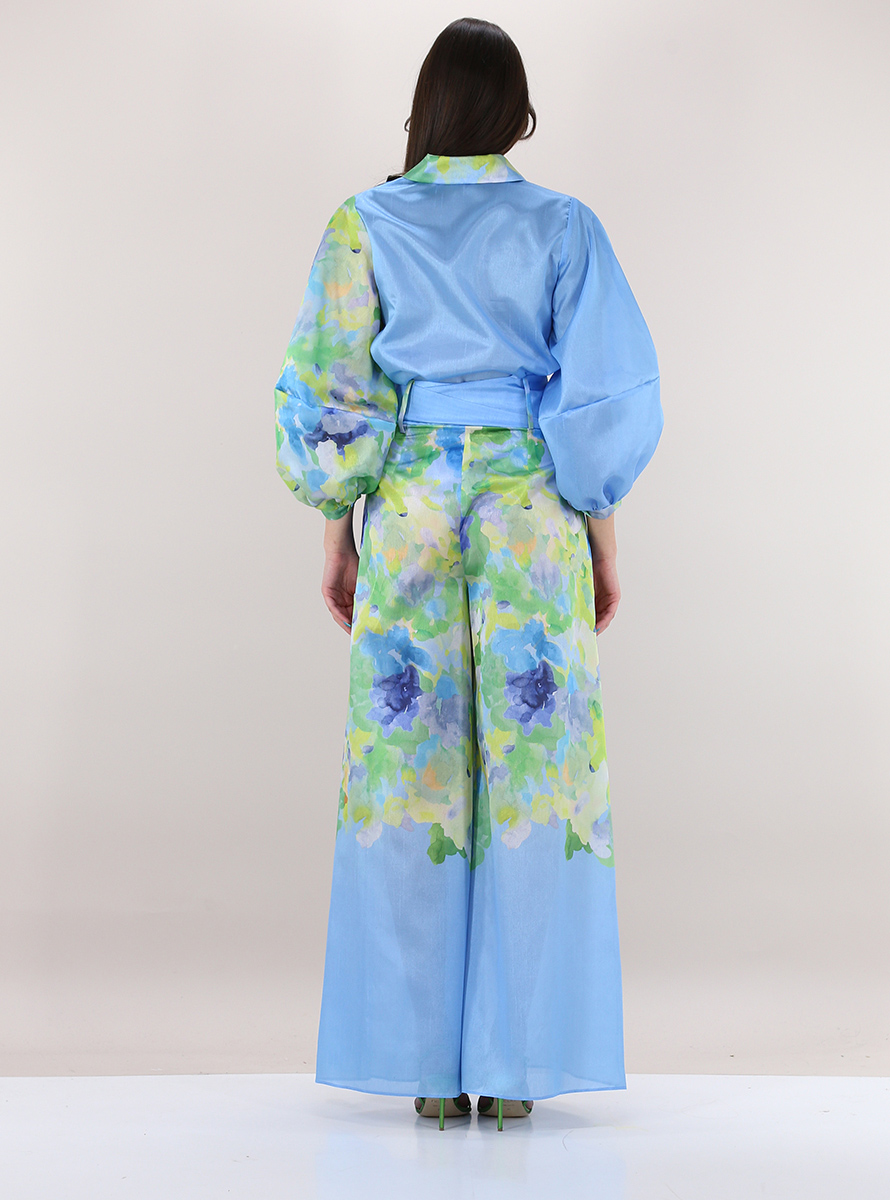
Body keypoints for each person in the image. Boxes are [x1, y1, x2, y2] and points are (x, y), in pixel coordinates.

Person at [274, 17, 663, 1132]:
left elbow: (332, 390)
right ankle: (520, 1063)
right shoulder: (561, 225)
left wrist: (339, 530)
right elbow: (598, 394)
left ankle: (424, 1070)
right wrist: (602, 536)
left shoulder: (365, 222)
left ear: (424, 108)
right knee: (535, 776)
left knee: (409, 773)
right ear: (519, 114)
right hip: (528, 507)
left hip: (407, 507)